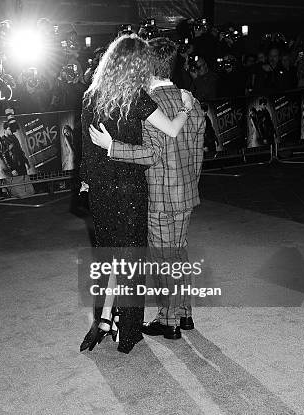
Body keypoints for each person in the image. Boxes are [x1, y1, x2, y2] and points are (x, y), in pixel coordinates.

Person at [78, 34, 193, 354]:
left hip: (100, 190)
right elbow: (170, 131)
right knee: (130, 260)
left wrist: (86, 183)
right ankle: (127, 331)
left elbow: (84, 149)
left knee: (107, 257)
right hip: (129, 188)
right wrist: (183, 109)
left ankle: (103, 319)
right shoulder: (136, 98)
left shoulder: (89, 95)